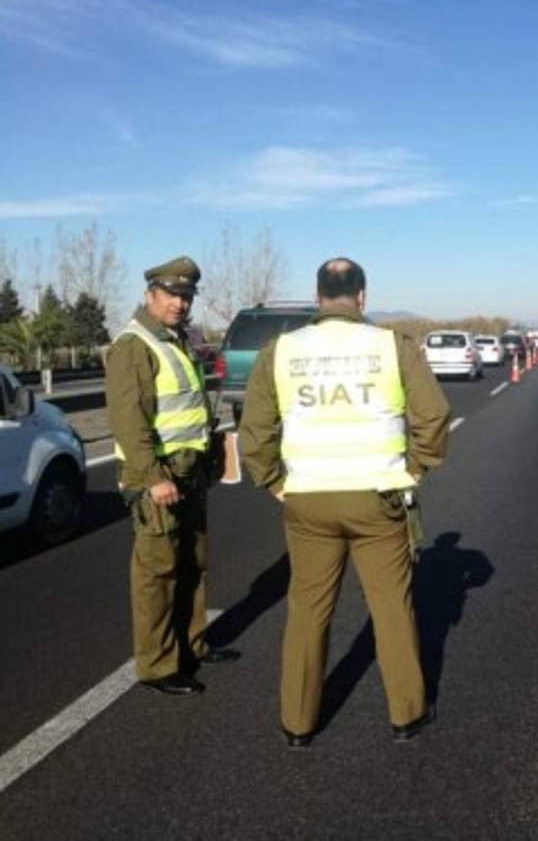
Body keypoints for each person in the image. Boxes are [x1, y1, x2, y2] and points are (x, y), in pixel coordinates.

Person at [240, 257, 451, 749]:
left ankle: (297, 723)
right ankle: (406, 714)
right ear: (362, 297)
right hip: (378, 499)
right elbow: (434, 415)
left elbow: (254, 430)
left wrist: (274, 481)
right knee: (391, 607)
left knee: (308, 609)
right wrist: (415, 468)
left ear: (317, 298)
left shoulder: (281, 351)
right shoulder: (391, 346)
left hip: (308, 500)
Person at [104, 256, 240, 696]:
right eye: (171, 295)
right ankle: (158, 666)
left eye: (186, 296)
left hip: (188, 470)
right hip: (158, 477)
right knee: (157, 573)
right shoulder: (135, 345)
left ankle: (193, 645)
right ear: (150, 295)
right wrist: (152, 477)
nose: (179, 304)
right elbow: (129, 421)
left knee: (192, 562)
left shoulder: (174, 340)